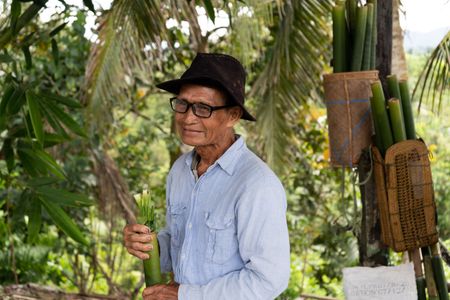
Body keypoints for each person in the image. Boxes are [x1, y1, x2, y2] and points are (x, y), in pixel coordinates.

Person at [123, 53, 290, 300]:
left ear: (233, 115)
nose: (188, 117)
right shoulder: (180, 170)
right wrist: (151, 246)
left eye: (203, 108)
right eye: (182, 104)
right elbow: (183, 247)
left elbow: (268, 281)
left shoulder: (256, 185)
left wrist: (186, 295)